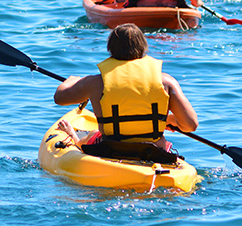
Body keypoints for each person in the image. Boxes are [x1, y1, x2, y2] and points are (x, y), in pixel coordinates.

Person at [54, 23, 198, 152]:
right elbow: (191, 125)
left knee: (93, 133)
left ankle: (76, 140)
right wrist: (170, 120)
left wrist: (71, 80)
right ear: (143, 48)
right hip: (153, 151)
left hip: (110, 149)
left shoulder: (95, 82)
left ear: (110, 49)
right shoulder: (166, 82)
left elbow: (60, 98)